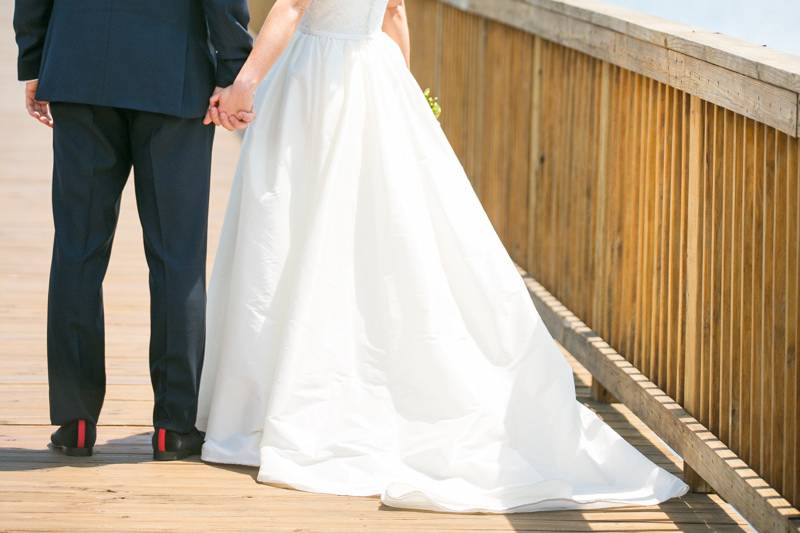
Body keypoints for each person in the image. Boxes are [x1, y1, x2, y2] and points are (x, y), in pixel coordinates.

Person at [197, 0, 690, 513]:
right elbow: (394, 12)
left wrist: (244, 83)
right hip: (374, 72)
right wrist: (402, 96)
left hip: (315, 80)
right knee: (367, 240)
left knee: (295, 233)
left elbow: (295, 6)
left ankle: (277, 401)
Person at [13, 0, 254, 460]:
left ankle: (76, 420)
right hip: (174, 72)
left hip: (78, 68)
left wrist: (35, 58)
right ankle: (173, 424)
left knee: (76, 251)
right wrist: (232, 69)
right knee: (177, 257)